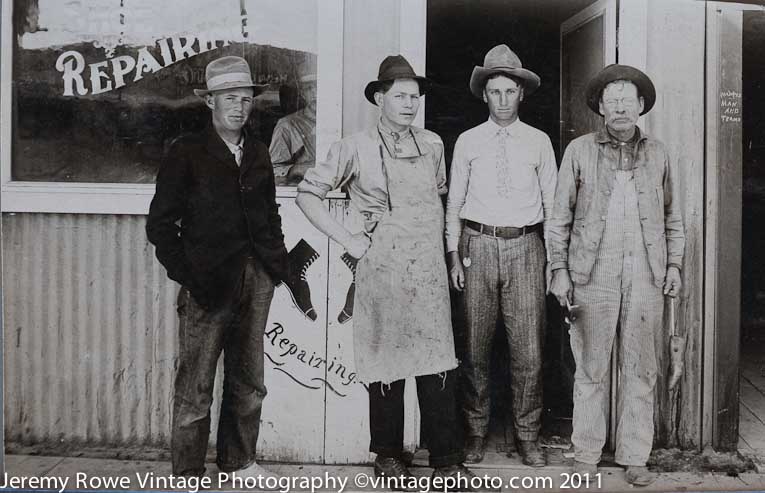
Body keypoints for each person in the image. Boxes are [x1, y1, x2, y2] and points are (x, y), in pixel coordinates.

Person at [296, 55, 492, 492]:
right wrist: (348, 240)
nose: (409, 104)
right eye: (400, 96)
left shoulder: (434, 145)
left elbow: (441, 203)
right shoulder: (353, 147)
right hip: (381, 269)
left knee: (437, 360)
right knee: (385, 361)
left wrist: (447, 255)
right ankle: (387, 455)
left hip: (427, 271)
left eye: (415, 97)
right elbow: (307, 195)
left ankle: (446, 460)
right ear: (379, 99)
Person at [146, 55, 289, 482]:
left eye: (245, 98)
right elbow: (160, 227)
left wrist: (273, 266)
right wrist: (190, 276)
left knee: (249, 383)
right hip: (206, 286)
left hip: (255, 282)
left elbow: (269, 215)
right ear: (210, 102)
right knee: (196, 388)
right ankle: (188, 473)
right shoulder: (187, 153)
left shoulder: (259, 153)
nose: (239, 107)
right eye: (229, 98)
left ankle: (239, 461)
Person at [548, 64, 685, 486]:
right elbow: (559, 218)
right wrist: (560, 270)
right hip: (593, 272)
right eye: (614, 99)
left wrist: (675, 265)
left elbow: (672, 218)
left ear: (641, 106)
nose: (621, 106)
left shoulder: (658, 153)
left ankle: (635, 454)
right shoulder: (580, 152)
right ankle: (586, 453)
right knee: (590, 366)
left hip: (647, 273)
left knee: (641, 367)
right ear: (601, 107)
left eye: (629, 99)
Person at [445, 44, 557, 467]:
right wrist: (454, 255)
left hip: (527, 247)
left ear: (521, 94)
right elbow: (453, 203)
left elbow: (554, 207)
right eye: (495, 92)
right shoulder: (469, 142)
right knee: (474, 346)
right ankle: (474, 432)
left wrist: (554, 261)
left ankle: (528, 436)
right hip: (477, 246)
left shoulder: (539, 142)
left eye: (510, 91)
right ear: (484, 95)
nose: (503, 100)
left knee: (528, 349)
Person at [270, 74, 317, 186]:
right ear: (302, 93)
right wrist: (300, 169)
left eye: (319, 87)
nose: (315, 93)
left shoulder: (338, 123)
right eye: (309, 88)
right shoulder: (287, 125)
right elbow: (273, 171)